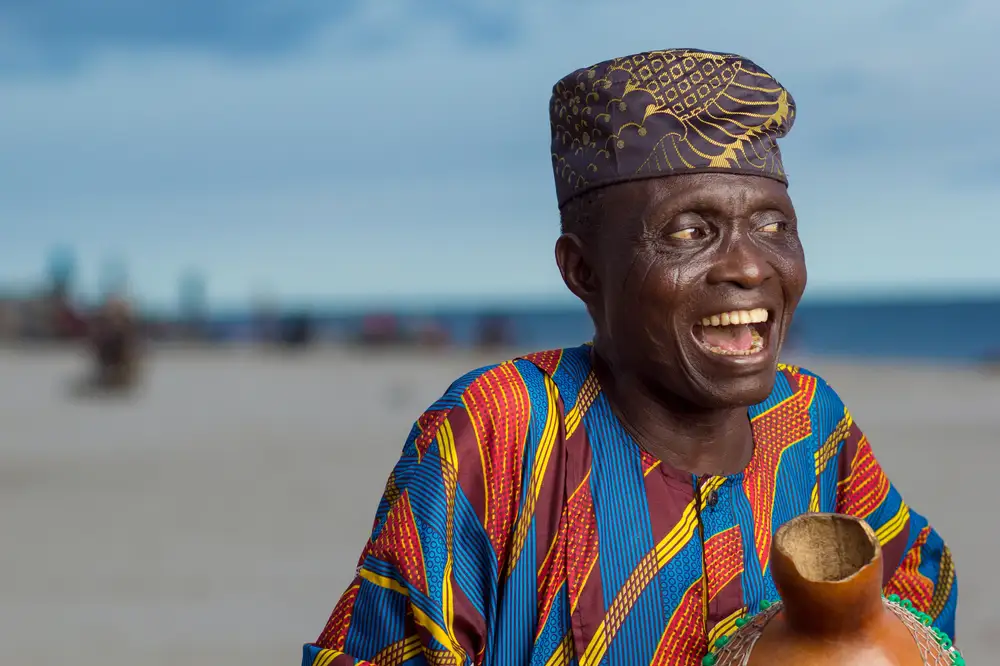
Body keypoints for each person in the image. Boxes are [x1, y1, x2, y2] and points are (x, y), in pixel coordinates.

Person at [302, 49, 957, 666]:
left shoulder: (810, 423)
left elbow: (913, 595)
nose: (751, 265)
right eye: (689, 232)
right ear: (583, 270)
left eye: (774, 225)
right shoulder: (501, 432)